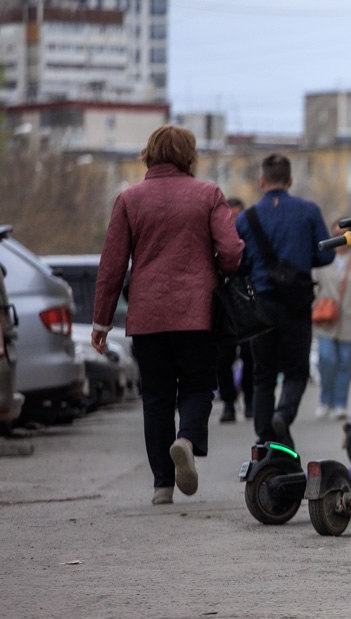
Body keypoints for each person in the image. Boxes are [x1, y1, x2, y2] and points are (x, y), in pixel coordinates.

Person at [93, 125, 244, 505]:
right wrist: (221, 268)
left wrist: (101, 321)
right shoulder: (208, 195)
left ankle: (162, 485)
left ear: (150, 153)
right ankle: (186, 439)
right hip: (197, 313)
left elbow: (111, 265)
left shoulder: (129, 199)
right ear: (188, 155)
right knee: (196, 386)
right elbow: (230, 251)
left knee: (156, 396)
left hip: (147, 315)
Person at [236, 154, 335, 449]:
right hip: (296, 303)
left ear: (262, 181)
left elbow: (237, 264)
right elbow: (327, 254)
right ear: (290, 181)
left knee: (263, 374)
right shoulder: (308, 211)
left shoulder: (246, 218)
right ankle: (284, 413)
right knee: (296, 371)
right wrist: (302, 258)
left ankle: (265, 440)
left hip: (261, 306)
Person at [313, 220, 351, 420]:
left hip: (349, 318)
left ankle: (340, 403)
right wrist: (315, 306)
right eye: (336, 233)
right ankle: (325, 400)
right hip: (325, 317)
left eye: (344, 234)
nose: (340, 239)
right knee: (327, 358)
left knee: (345, 362)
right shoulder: (323, 256)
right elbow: (314, 284)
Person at [216, 197, 255, 423]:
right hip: (223, 303)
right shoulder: (216, 238)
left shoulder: (250, 237)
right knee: (223, 359)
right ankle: (229, 403)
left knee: (250, 356)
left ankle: (249, 399)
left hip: (247, 301)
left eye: (237, 216)